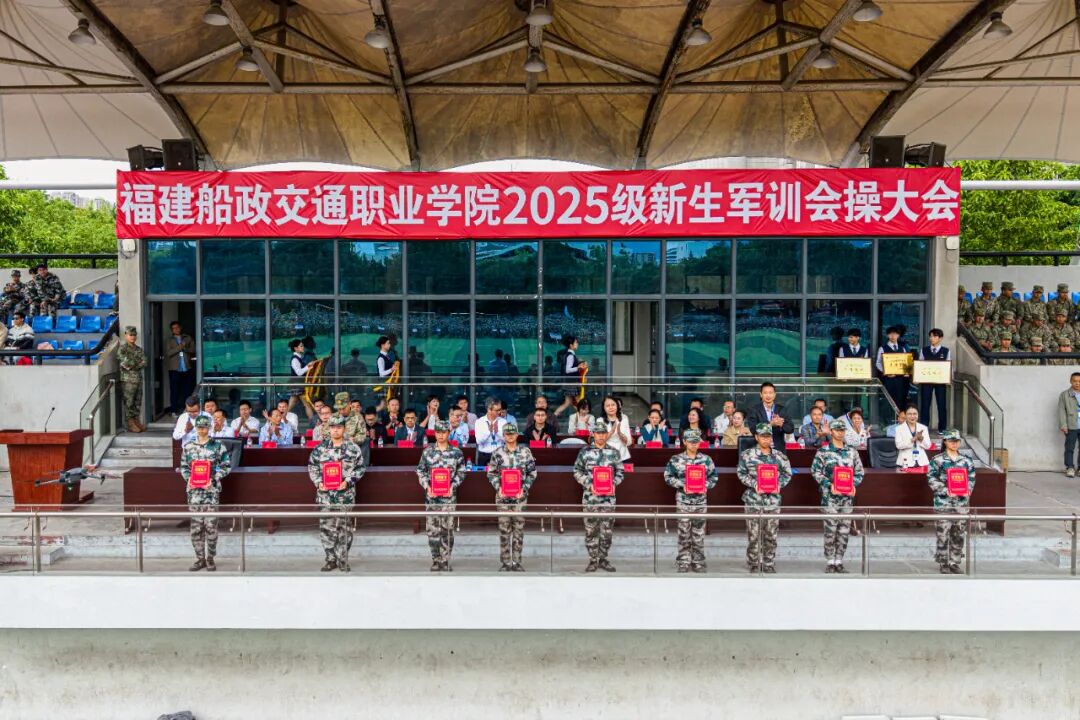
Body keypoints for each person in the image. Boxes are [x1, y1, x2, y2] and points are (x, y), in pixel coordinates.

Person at [309, 415, 365, 572]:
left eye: (339, 427)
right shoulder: (320, 449)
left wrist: (348, 481)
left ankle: (342, 560)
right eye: (333, 427)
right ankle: (330, 559)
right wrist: (318, 482)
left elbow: (360, 468)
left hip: (344, 496)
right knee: (326, 528)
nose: (336, 430)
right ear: (329, 429)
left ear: (344, 429)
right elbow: (312, 467)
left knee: (344, 529)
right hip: (325, 496)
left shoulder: (353, 448)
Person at [811, 419, 865, 573]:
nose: (840, 433)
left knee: (844, 530)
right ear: (831, 431)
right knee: (830, 529)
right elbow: (815, 472)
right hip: (830, 497)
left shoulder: (852, 451)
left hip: (847, 498)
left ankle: (839, 560)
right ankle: (830, 561)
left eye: (842, 430)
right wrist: (830, 485)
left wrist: (853, 484)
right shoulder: (823, 451)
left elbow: (859, 472)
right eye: (837, 430)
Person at [737, 423, 792, 573]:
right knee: (754, 535)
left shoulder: (779, 456)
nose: (766, 439)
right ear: (756, 437)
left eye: (768, 436)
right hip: (753, 500)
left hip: (773, 501)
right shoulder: (747, 455)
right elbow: (741, 473)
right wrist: (754, 484)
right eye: (763, 436)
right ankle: (754, 563)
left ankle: (768, 563)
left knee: (771, 535)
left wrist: (779, 484)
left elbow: (787, 474)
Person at [180, 415, 231, 572]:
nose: (202, 430)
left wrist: (214, 478)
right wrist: (189, 478)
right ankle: (199, 559)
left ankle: (210, 558)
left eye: (204, 427)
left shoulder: (218, 446)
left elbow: (226, 466)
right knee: (196, 527)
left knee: (211, 527)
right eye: (199, 427)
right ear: (196, 428)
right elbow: (184, 467)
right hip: (194, 493)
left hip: (211, 492)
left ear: (209, 428)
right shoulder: (188, 447)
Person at [664, 429, 719, 573]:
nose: (694, 444)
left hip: (700, 501)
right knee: (683, 534)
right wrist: (682, 485)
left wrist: (705, 486)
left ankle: (698, 561)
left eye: (696, 441)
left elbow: (714, 477)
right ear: (684, 442)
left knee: (699, 534)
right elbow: (668, 476)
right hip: (683, 502)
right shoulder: (676, 459)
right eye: (691, 441)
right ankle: (683, 561)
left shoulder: (706, 460)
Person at [573, 420, 624, 572]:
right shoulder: (585, 452)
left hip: (608, 499)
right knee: (591, 530)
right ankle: (593, 560)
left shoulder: (614, 452)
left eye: (603, 433)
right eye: (598, 433)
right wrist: (589, 484)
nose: (601, 436)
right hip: (591, 498)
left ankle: (603, 559)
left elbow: (620, 472)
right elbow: (577, 471)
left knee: (606, 531)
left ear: (606, 435)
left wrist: (613, 484)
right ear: (593, 434)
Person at [416, 419, 466, 571]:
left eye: (444, 432)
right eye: (438, 432)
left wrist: (453, 485)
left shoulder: (456, 452)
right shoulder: (428, 451)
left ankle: (445, 560)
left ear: (448, 433)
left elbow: (462, 472)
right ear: (434, 433)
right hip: (432, 497)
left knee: (447, 530)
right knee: (432, 530)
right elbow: (420, 471)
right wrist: (427, 486)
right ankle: (436, 560)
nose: (441, 435)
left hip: (448, 498)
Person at [487, 423, 537, 571]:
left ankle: (516, 562)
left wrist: (524, 488)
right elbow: (491, 473)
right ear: (503, 436)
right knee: (504, 531)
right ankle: (505, 562)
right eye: (507, 434)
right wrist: (499, 487)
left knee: (518, 531)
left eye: (512, 434)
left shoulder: (525, 452)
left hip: (519, 498)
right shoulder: (497, 453)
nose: (510, 436)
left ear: (516, 435)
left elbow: (532, 473)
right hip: (502, 498)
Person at [927, 429, 976, 574]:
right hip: (944, 503)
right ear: (945, 442)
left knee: (959, 533)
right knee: (943, 533)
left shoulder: (966, 460)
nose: (954, 443)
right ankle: (943, 562)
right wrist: (944, 490)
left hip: (961, 503)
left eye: (957, 441)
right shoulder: (937, 460)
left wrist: (968, 489)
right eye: (951, 441)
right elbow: (931, 478)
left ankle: (954, 562)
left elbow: (971, 478)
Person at [917, 328, 950, 433]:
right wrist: (917, 377)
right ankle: (924, 427)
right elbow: (920, 365)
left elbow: (949, 365)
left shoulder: (946, 351)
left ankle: (942, 428)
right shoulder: (924, 350)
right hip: (926, 381)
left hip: (940, 382)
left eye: (935, 336)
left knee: (941, 405)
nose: (932, 338)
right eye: (930, 336)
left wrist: (949, 379)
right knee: (925, 404)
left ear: (940, 338)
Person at [745, 381, 795, 449]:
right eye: (765, 393)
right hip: (760, 449)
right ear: (761, 394)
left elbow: (790, 429)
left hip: (778, 449)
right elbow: (753, 429)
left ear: (774, 394)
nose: (768, 395)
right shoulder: (754, 410)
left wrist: (781, 424)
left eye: (770, 393)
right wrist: (770, 424)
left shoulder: (782, 410)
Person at [117, 326, 148, 434]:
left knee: (137, 401)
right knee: (129, 402)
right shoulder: (122, 349)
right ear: (126, 335)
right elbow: (126, 364)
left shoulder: (139, 349)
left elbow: (145, 362)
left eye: (134, 335)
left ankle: (136, 421)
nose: (133, 337)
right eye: (131, 335)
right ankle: (130, 424)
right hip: (128, 380)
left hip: (138, 379)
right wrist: (136, 363)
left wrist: (133, 364)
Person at [876, 326, 912, 413]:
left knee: (900, 400)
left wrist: (907, 372)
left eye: (895, 334)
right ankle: (888, 419)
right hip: (888, 379)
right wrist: (885, 372)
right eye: (890, 334)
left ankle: (898, 418)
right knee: (888, 401)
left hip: (900, 380)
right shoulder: (882, 348)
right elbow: (878, 363)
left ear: (898, 335)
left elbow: (906, 363)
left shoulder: (902, 348)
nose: (893, 336)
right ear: (887, 335)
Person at [164, 321, 196, 415]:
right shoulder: (169, 340)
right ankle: (174, 410)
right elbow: (168, 353)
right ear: (171, 330)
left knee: (187, 390)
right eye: (173, 328)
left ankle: (186, 409)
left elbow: (193, 350)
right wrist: (180, 347)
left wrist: (184, 348)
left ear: (180, 328)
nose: (176, 329)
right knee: (174, 390)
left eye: (177, 327)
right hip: (174, 369)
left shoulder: (187, 338)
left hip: (186, 368)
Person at [895, 404, 931, 469]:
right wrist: (913, 439)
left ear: (918, 415)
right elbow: (899, 445)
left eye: (915, 414)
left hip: (922, 462)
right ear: (905, 415)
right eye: (909, 414)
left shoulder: (923, 428)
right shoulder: (899, 429)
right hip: (905, 462)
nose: (912, 416)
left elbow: (928, 446)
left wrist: (921, 439)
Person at [1058, 373, 1080, 476]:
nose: (1077, 383)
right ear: (1071, 381)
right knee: (1069, 448)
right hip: (1071, 425)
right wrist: (1063, 425)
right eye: (1075, 381)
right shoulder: (1064, 395)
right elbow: (1061, 411)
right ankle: (1070, 467)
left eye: (1079, 381)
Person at [474, 398, 506, 465]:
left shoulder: (503, 422)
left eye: (500, 409)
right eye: (497, 410)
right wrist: (489, 432)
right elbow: (479, 441)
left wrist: (497, 432)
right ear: (489, 410)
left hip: (499, 454)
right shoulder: (479, 422)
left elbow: (506, 440)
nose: (499, 412)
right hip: (484, 455)